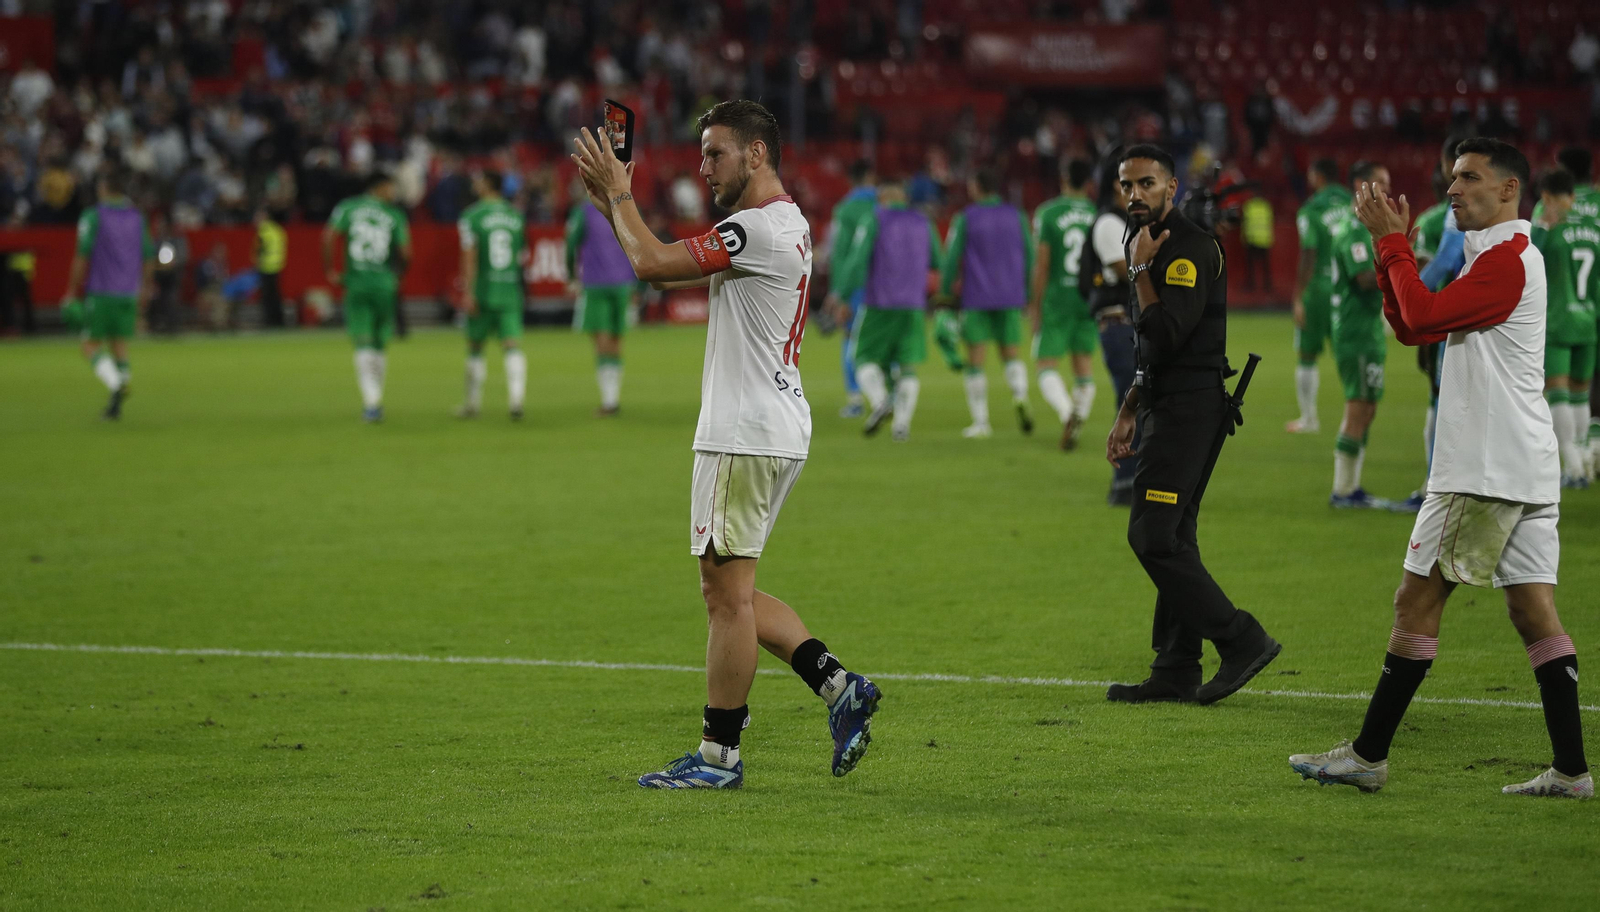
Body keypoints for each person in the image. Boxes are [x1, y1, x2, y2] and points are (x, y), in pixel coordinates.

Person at [570, 99, 881, 789]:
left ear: (757, 153)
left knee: (726, 598)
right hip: (773, 422)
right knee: (730, 588)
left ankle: (719, 758)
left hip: (743, 430)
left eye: (715, 152)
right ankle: (838, 688)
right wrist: (610, 204)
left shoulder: (754, 231)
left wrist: (620, 195)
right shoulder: (785, 222)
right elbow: (654, 254)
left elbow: (651, 264)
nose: (703, 166)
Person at [1290, 138, 1590, 799]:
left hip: (1481, 469)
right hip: (1522, 465)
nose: (1453, 188)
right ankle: (1572, 771)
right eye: (1452, 177)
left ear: (1510, 189)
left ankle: (1368, 756)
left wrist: (1394, 244)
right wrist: (1387, 249)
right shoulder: (1498, 257)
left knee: (1415, 602)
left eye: (1470, 177)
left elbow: (1421, 316)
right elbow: (1413, 325)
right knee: (1534, 612)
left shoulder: (1509, 259)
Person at [1103, 144, 1280, 705]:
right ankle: (1176, 667)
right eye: (1127, 185)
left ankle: (1241, 639)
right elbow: (1149, 351)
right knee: (1175, 535)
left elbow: (1164, 337)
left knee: (1152, 535)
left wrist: (1137, 273)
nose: (1136, 195)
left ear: (1172, 189)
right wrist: (1131, 405)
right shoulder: (1145, 243)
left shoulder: (1189, 250)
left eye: (1147, 184)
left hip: (1188, 410)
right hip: (1166, 404)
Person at [828, 177, 941, 440]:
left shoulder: (874, 220)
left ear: (882, 200)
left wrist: (841, 294)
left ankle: (880, 402)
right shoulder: (923, 222)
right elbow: (937, 259)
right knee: (907, 366)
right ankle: (902, 426)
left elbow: (857, 261)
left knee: (861, 357)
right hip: (913, 305)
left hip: (879, 303)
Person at [1327, 161, 1409, 510]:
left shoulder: (1364, 228)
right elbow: (1363, 279)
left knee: (1368, 407)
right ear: (1361, 185)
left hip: (1367, 330)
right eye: (1380, 182)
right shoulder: (1353, 229)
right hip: (1356, 331)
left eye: (1389, 182)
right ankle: (1344, 490)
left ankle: (1352, 487)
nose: (1387, 190)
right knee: (1359, 408)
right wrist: (1398, 263)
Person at [940, 167, 1035, 439]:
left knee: (976, 360)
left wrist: (946, 293)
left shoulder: (966, 218)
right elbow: (1029, 254)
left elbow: (951, 259)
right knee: (1011, 354)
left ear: (977, 186)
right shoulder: (1017, 216)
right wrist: (1026, 293)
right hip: (1010, 296)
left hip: (977, 296)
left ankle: (981, 422)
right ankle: (1019, 396)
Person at [62, 168, 153, 420]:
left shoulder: (93, 216)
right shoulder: (137, 217)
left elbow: (82, 255)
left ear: (103, 188)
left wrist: (71, 291)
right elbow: (147, 257)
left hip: (101, 292)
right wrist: (145, 288)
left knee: (90, 345)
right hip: (128, 292)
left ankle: (116, 385)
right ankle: (116, 405)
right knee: (119, 344)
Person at [324, 172, 412, 422]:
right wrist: (398, 276)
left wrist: (330, 269)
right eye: (391, 188)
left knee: (362, 341)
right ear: (380, 187)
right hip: (385, 284)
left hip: (357, 282)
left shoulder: (348, 208)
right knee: (380, 343)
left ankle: (371, 402)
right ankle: (375, 397)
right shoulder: (394, 215)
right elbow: (407, 253)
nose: (393, 193)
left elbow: (329, 236)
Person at [1531, 169, 1597, 487]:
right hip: (1589, 320)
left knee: (1558, 395)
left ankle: (1571, 467)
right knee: (1581, 396)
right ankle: (1583, 460)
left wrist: (1542, 227)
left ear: (1545, 198)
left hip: (1557, 322)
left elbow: (1527, 261)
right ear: (1572, 196)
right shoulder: (1594, 230)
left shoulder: (1548, 231)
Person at [1029, 158, 1100, 450]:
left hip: (1057, 297)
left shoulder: (1048, 213)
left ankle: (1066, 411)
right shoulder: (1099, 214)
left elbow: (1042, 264)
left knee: (1045, 364)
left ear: (1064, 178)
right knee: (1083, 365)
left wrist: (1035, 306)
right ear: (1088, 183)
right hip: (1090, 297)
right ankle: (1080, 413)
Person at [1080, 156, 1139, 505]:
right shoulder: (1107, 223)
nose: (1134, 191)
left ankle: (1135, 481)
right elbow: (1126, 267)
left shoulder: (1125, 221)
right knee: (1131, 401)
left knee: (1139, 402)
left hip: (1130, 324)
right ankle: (1124, 483)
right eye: (1128, 183)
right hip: (1118, 324)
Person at [456, 169, 529, 420]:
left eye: (478, 180)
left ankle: (472, 404)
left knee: (475, 346)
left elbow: (470, 255)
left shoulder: (471, 216)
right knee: (511, 344)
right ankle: (516, 400)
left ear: (487, 185)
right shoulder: (516, 216)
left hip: (483, 289)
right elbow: (521, 256)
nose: (475, 184)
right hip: (509, 289)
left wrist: (468, 290)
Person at [1287, 158, 1349, 433]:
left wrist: (1299, 295)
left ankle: (1309, 418)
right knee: (1347, 354)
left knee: (1307, 354)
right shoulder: (1353, 202)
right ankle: (1354, 418)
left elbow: (1309, 251)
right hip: (1348, 287)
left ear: (1316, 176)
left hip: (1319, 289)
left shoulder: (1311, 209)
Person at [566, 185, 637, 417]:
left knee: (601, 338)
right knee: (617, 338)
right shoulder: (627, 208)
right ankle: (613, 397)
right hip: (624, 281)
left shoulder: (584, 211)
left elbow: (570, 244)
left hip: (596, 282)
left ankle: (609, 400)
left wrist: (570, 275)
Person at [823, 159, 878, 418]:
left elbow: (839, 252)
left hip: (854, 284)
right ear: (870, 176)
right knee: (883, 341)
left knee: (850, 338)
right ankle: (889, 393)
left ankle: (855, 399)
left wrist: (838, 291)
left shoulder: (845, 210)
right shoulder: (884, 205)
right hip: (884, 284)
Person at [254, 207, 287, 328]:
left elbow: (260, 248)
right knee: (276, 296)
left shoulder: (264, 230)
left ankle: (269, 322)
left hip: (266, 266)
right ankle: (279, 320)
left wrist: (257, 261)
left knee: (267, 297)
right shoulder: (277, 229)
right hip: (277, 265)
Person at [1241, 194, 1274, 292]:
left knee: (1250, 265)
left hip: (1252, 239)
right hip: (1264, 239)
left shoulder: (1249, 206)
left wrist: (1243, 238)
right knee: (1265, 265)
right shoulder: (1266, 206)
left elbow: (1244, 223)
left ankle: (1251, 285)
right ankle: (1267, 285)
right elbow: (1271, 222)